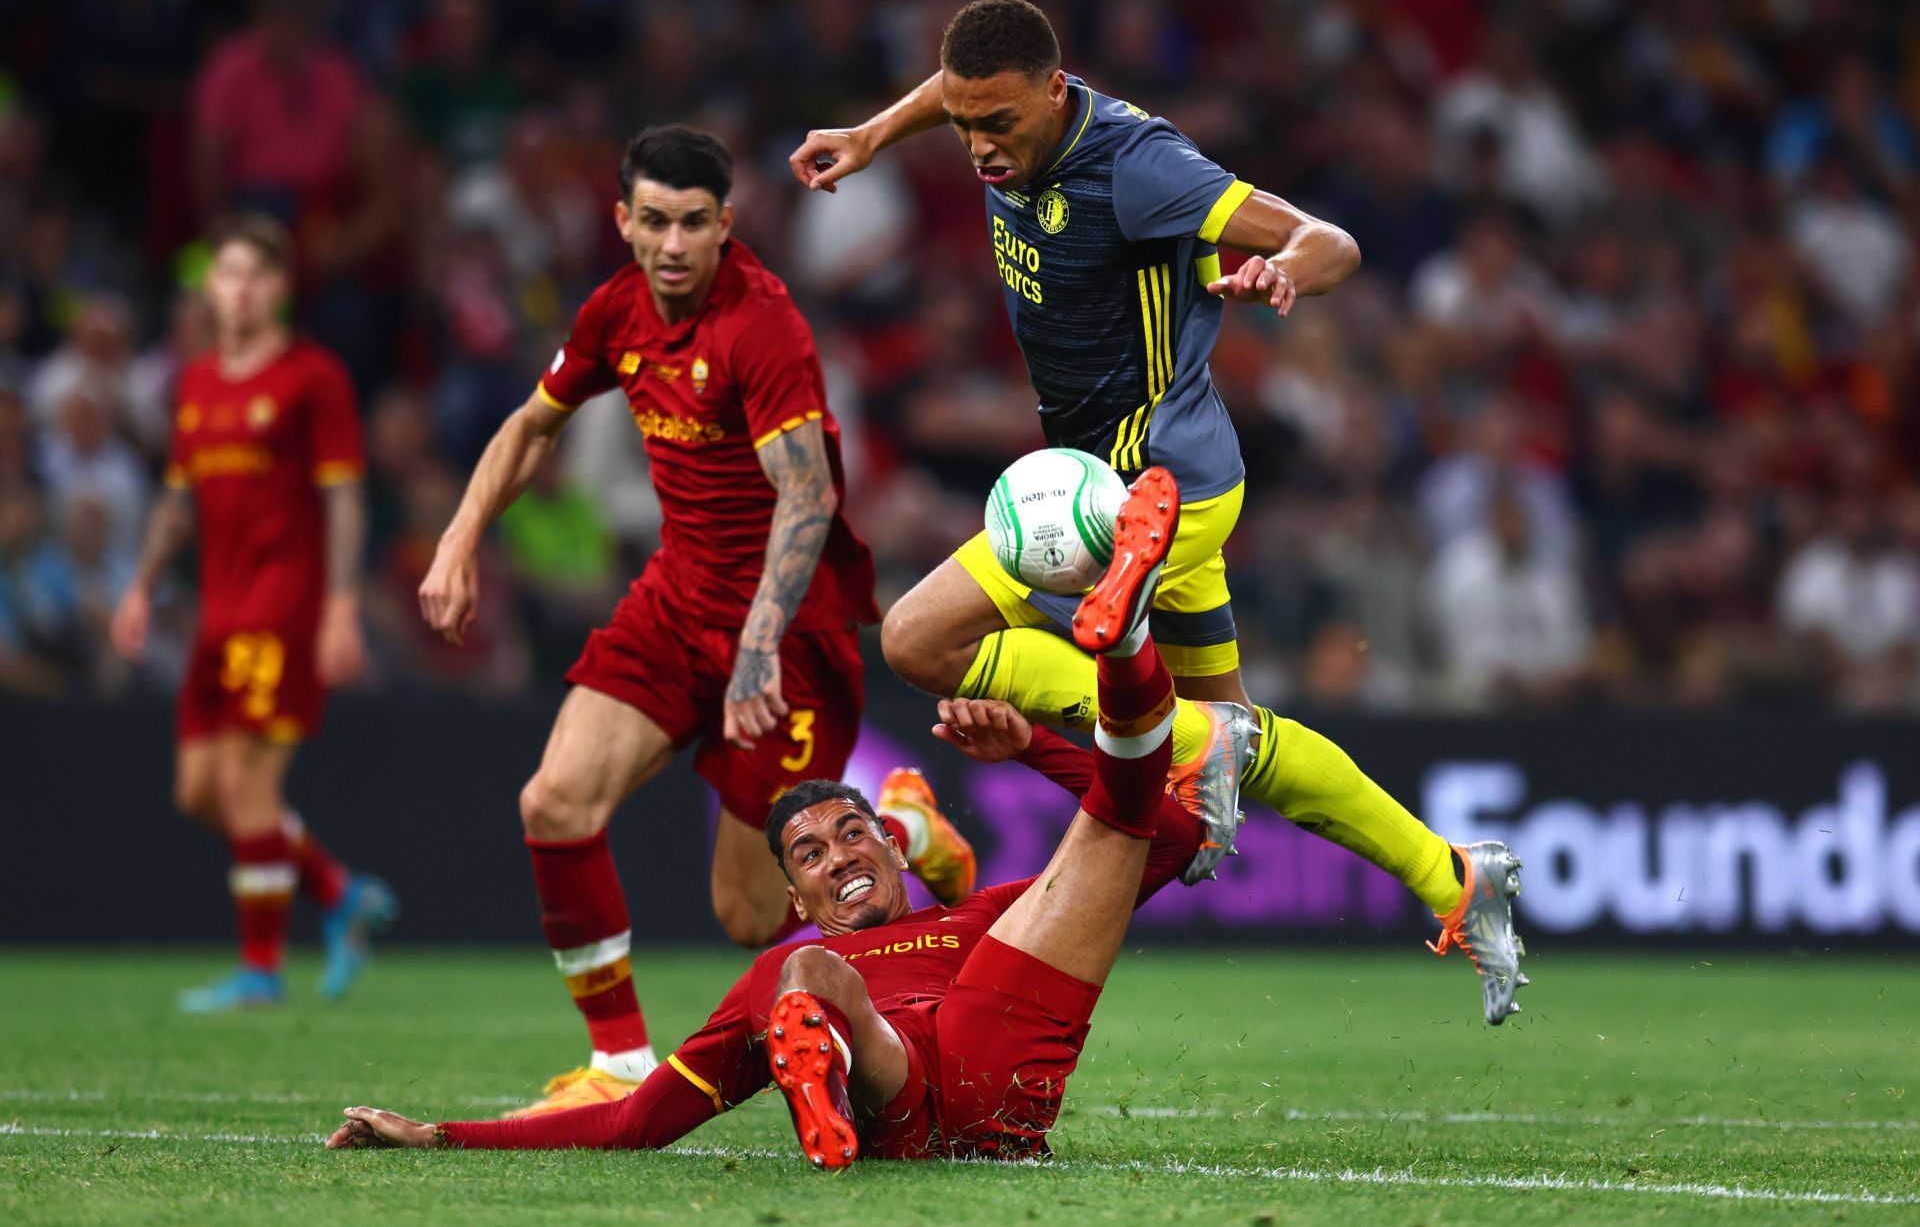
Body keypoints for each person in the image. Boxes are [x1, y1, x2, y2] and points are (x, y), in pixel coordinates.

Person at [328, 471, 1528, 1163]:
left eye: (853, 830)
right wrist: (439, 1136)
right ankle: (830, 1064)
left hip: (999, 1038)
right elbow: (639, 1122)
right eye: (811, 850)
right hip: (909, 1084)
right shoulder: (790, 957)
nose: (838, 851)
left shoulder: (978, 921)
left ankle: (1122, 628)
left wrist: (1036, 748)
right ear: (791, 887)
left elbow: (1169, 838)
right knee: (810, 983)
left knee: (1117, 817)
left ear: (888, 848)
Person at [789, 0, 1515, 1016]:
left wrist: (1286, 268)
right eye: (963, 126)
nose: (981, 149)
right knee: (1235, 742)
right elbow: (961, 89)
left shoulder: (1136, 165)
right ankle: (1454, 878)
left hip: (1138, 498)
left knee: (915, 639)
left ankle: (1178, 737)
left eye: (998, 124)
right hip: (1161, 477)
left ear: (1056, 92)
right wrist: (873, 134)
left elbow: (1330, 239)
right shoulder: (1000, 114)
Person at [416, 126, 975, 1117]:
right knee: (553, 804)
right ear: (623, 221)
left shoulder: (764, 328)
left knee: (746, 915)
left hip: (790, 631)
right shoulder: (613, 311)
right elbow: (533, 424)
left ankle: (897, 825)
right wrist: (461, 537)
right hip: (676, 602)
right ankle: (619, 1062)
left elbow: (804, 495)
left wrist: (759, 638)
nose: (673, 244)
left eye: (694, 223)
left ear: (726, 224)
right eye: (655, 222)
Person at [111, 214, 396, 1013]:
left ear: (280, 288)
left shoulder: (313, 378)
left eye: (256, 275)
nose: (239, 290)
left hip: (285, 604)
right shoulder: (196, 381)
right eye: (227, 274)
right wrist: (140, 587)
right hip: (216, 608)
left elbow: (344, 501)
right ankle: (340, 892)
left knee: (247, 783)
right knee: (199, 793)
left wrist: (340, 607)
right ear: (209, 285)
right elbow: (177, 500)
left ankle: (260, 969)